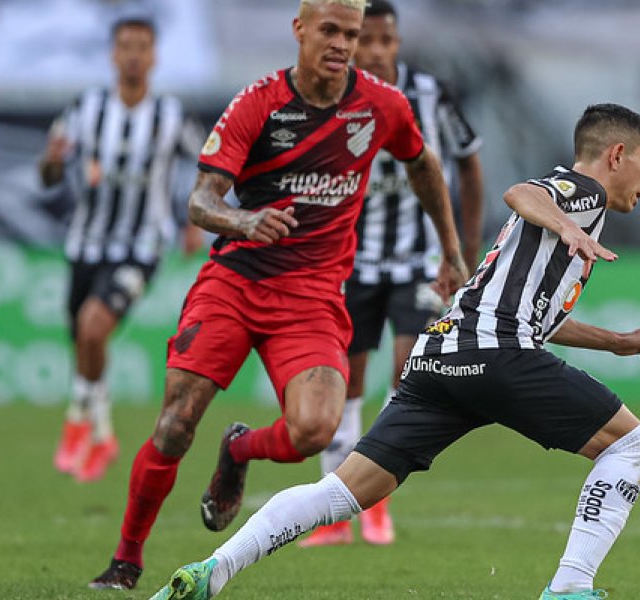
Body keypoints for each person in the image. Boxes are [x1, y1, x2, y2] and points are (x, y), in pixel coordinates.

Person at [147, 103, 640, 600]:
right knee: (634, 447)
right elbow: (521, 192)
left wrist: (618, 341)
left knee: (343, 492)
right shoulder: (582, 192)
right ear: (616, 155)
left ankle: (211, 572)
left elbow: (534, 316)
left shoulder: (578, 216)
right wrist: (567, 223)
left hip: (439, 357)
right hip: (492, 352)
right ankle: (570, 587)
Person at [87, 0, 468, 590]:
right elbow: (200, 201)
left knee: (317, 429)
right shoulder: (257, 103)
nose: (343, 44)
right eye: (330, 31)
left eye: (352, 33)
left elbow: (425, 165)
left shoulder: (380, 105)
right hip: (235, 284)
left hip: (312, 296)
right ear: (300, 30)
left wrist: (451, 249)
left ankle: (240, 450)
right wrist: (245, 222)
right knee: (175, 425)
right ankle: (126, 560)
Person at [302, 0, 484, 548]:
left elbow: (470, 163)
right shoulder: (332, 95)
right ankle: (335, 505)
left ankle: (375, 496)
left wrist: (464, 249)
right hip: (352, 262)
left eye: (387, 41)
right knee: (345, 379)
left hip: (420, 262)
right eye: (368, 41)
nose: (378, 52)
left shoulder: (431, 95)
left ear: (398, 43)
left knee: (408, 371)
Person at [41, 16, 204, 484]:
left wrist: (193, 221)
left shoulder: (170, 115)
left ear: (153, 56)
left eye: (142, 47)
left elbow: (207, 163)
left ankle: (77, 419)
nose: (133, 55)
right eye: (125, 46)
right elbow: (48, 174)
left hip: (141, 245)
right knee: (84, 340)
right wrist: (51, 162)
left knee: (94, 327)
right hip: (85, 243)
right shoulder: (85, 108)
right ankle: (104, 434)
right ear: (113, 54)